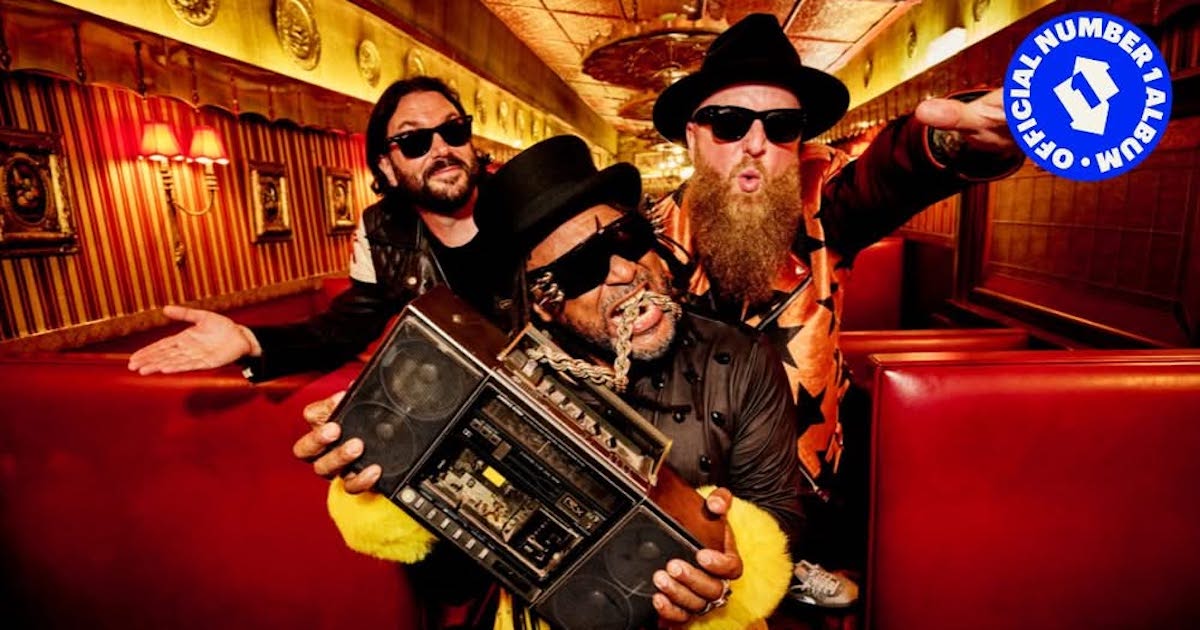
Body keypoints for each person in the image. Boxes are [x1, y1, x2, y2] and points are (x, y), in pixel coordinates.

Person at [293, 135, 805, 629]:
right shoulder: (506, 382)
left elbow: (778, 516)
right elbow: (451, 585)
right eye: (583, 268)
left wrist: (722, 577)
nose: (624, 272)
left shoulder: (741, 358)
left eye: (627, 238)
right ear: (543, 302)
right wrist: (393, 473)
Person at [647, 13, 1024, 607]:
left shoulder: (826, 212)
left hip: (807, 489)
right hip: (679, 506)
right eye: (729, 123)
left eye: (781, 127)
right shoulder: (645, 241)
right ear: (692, 136)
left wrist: (957, 142)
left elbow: (890, 174)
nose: (755, 144)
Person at [127, 76, 498, 381]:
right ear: (387, 167)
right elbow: (342, 330)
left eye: (453, 129)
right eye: (414, 140)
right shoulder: (382, 230)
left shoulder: (523, 198)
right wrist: (249, 339)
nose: (441, 149)